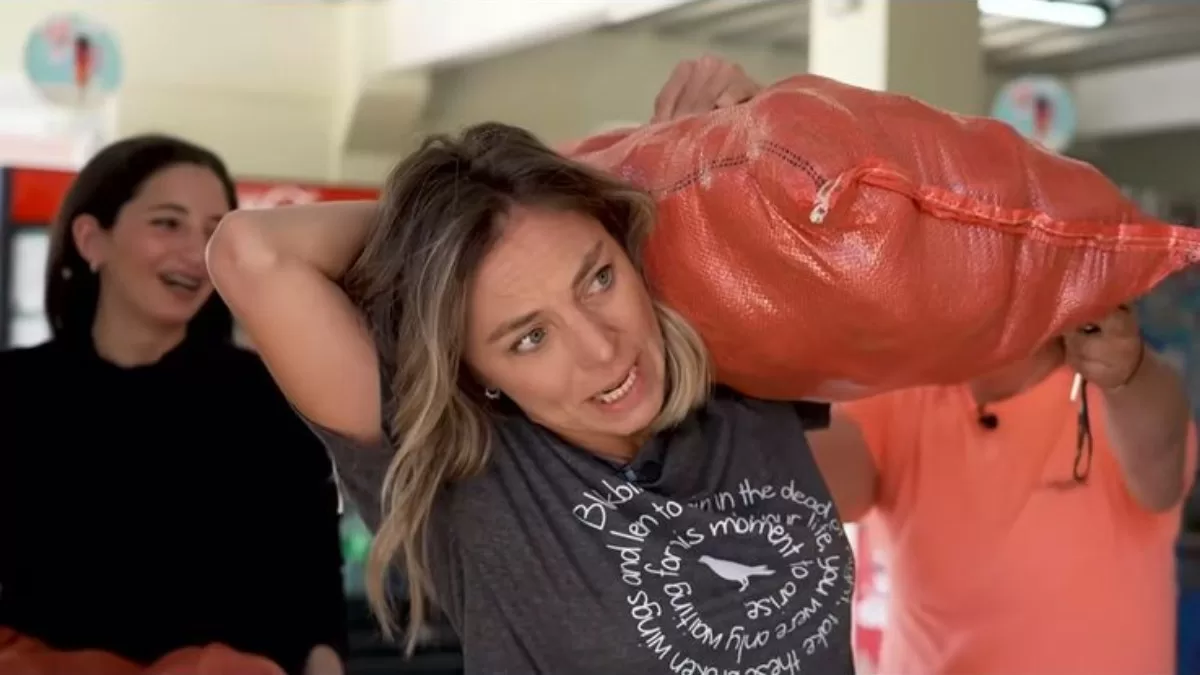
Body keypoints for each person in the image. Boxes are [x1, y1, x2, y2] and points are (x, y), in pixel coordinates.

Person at [206, 58, 856, 674]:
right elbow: (249, 252)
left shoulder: (734, 373)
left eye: (598, 279)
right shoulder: (475, 488)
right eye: (530, 338)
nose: (601, 349)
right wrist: (449, 219)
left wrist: (732, 133)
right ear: (475, 370)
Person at [0, 135, 348, 675]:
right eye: (168, 223)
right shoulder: (16, 391)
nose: (195, 253)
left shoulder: (267, 397)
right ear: (91, 239)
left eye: (213, 232)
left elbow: (312, 592)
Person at [810, 310, 1198, 675]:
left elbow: (1161, 463)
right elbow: (810, 493)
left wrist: (1128, 372)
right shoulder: (901, 389)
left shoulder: (1123, 391)